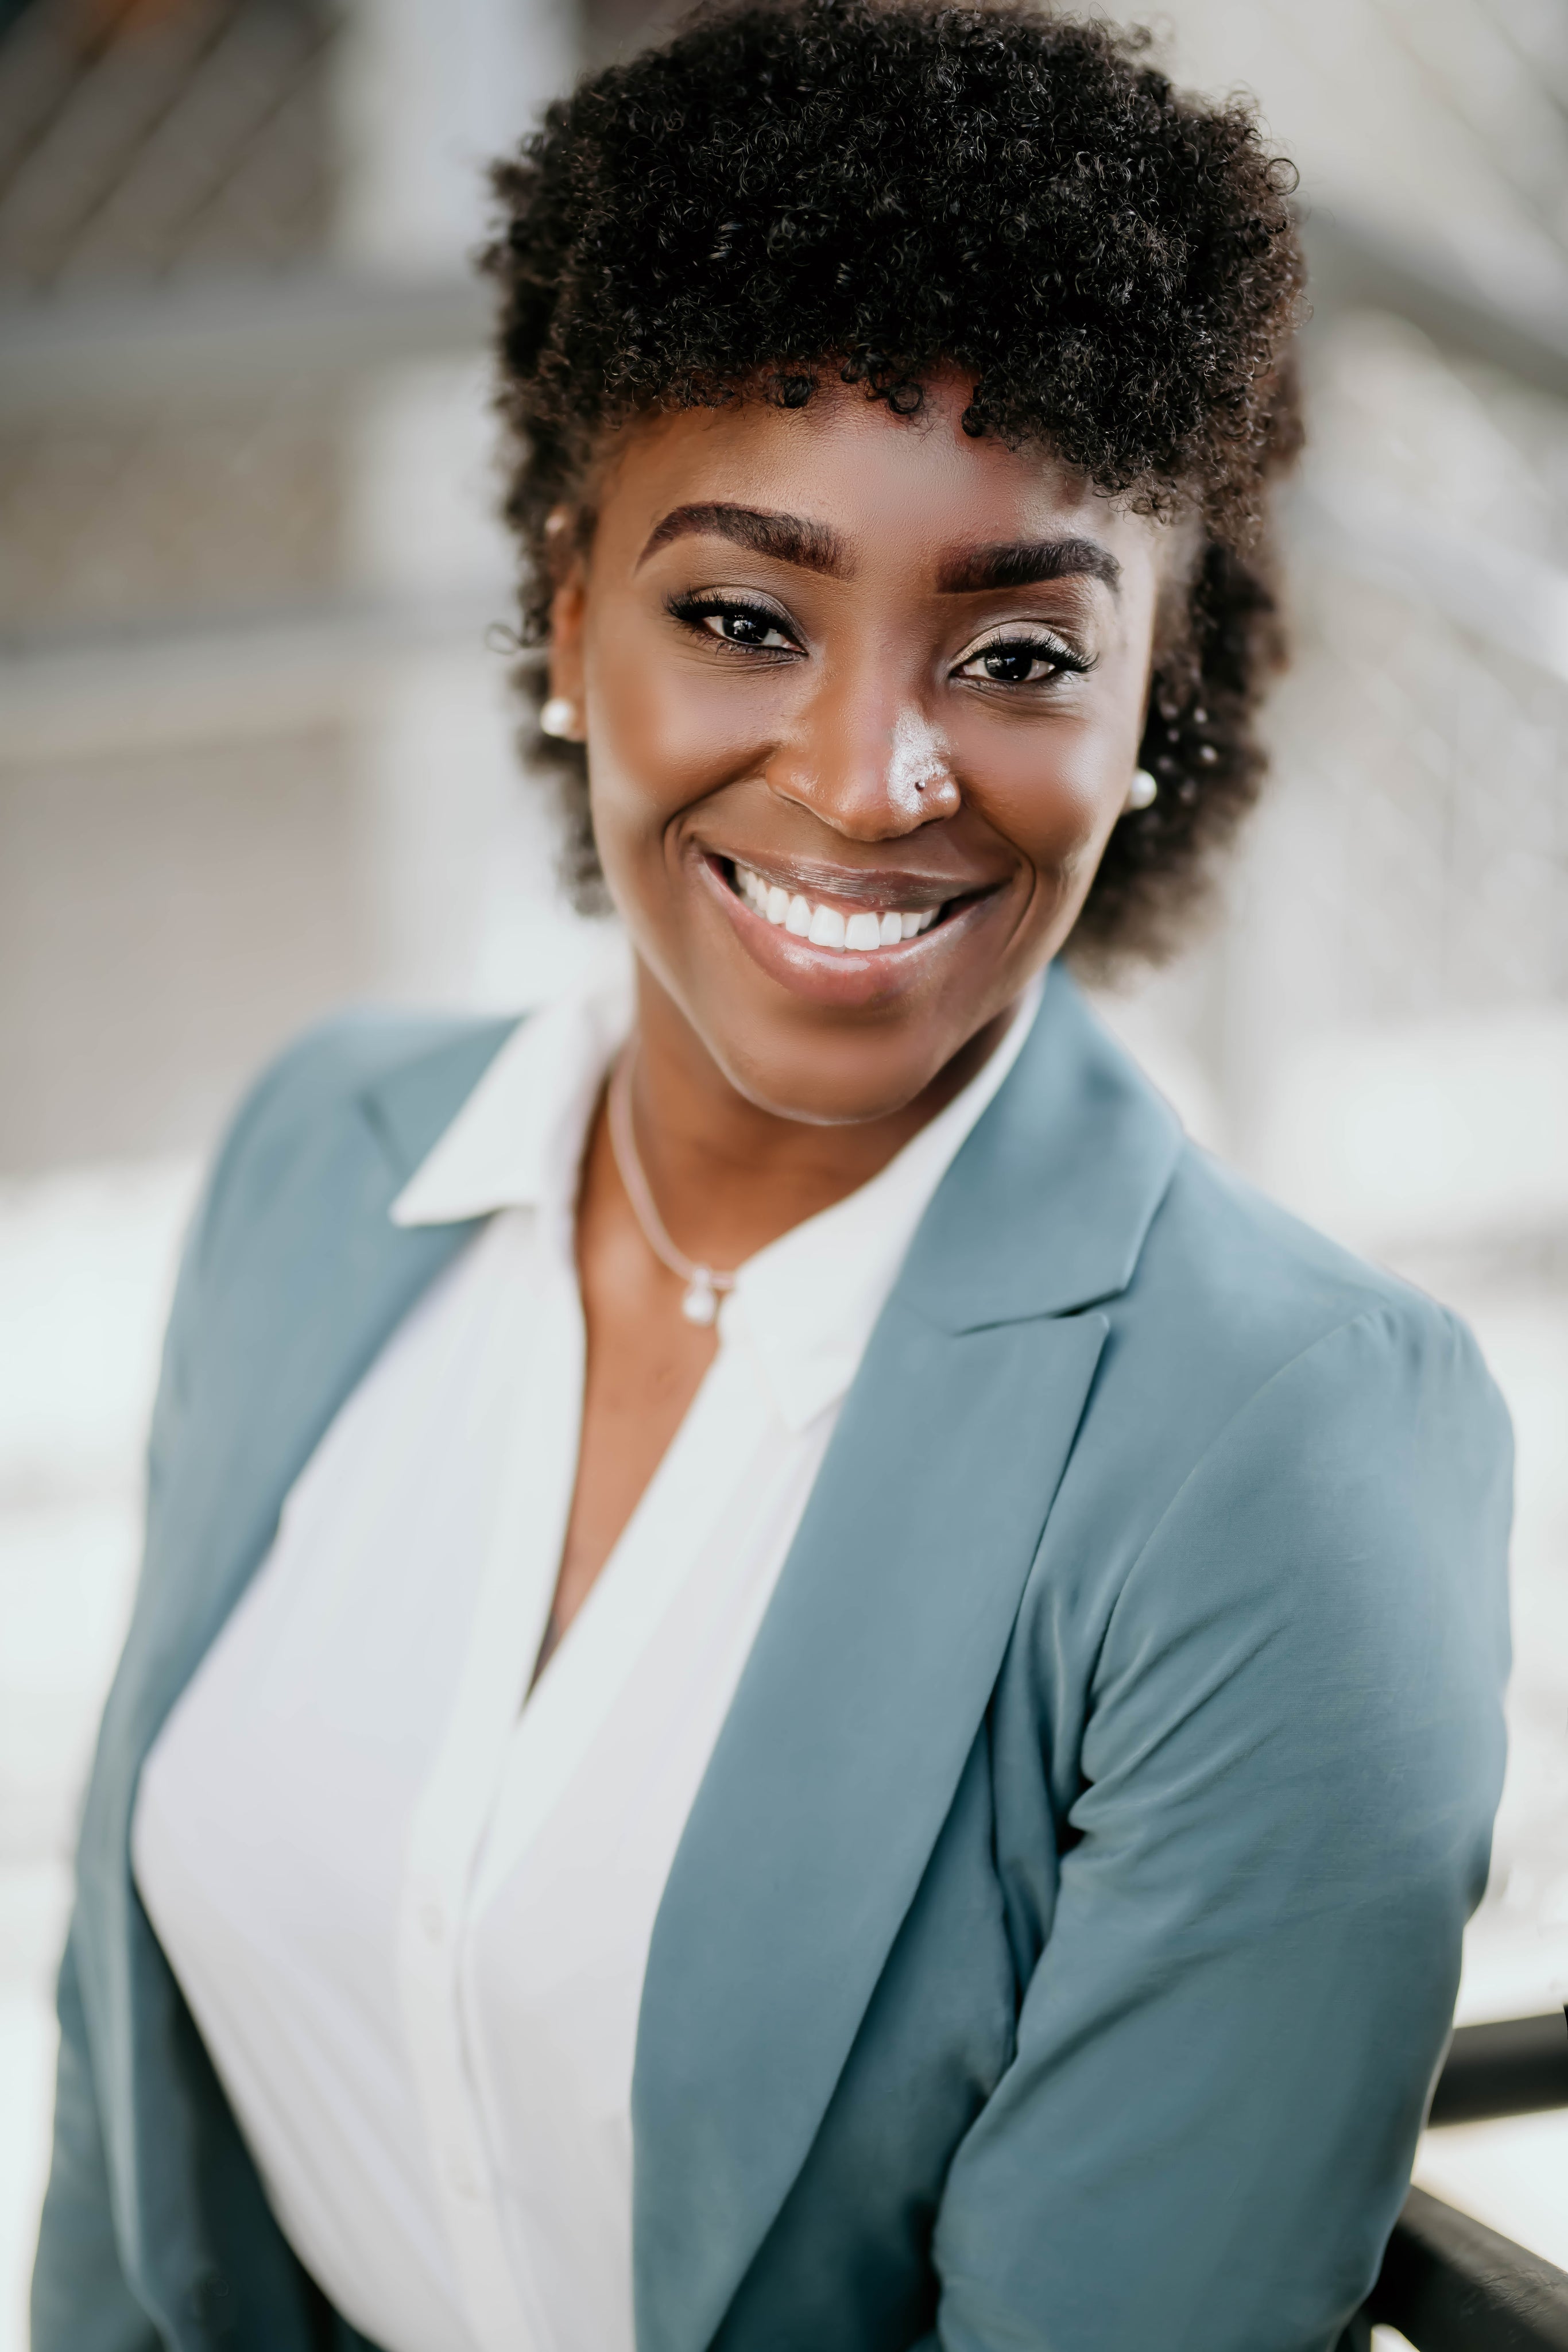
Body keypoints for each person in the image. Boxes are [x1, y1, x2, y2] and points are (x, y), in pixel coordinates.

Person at [33, 3, 1512, 2349]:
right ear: (563, 612)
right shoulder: (323, 1163)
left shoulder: (1284, 1449)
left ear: (1156, 706)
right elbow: (131, 2186)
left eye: (1016, 647)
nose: (863, 775)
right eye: (741, 614)